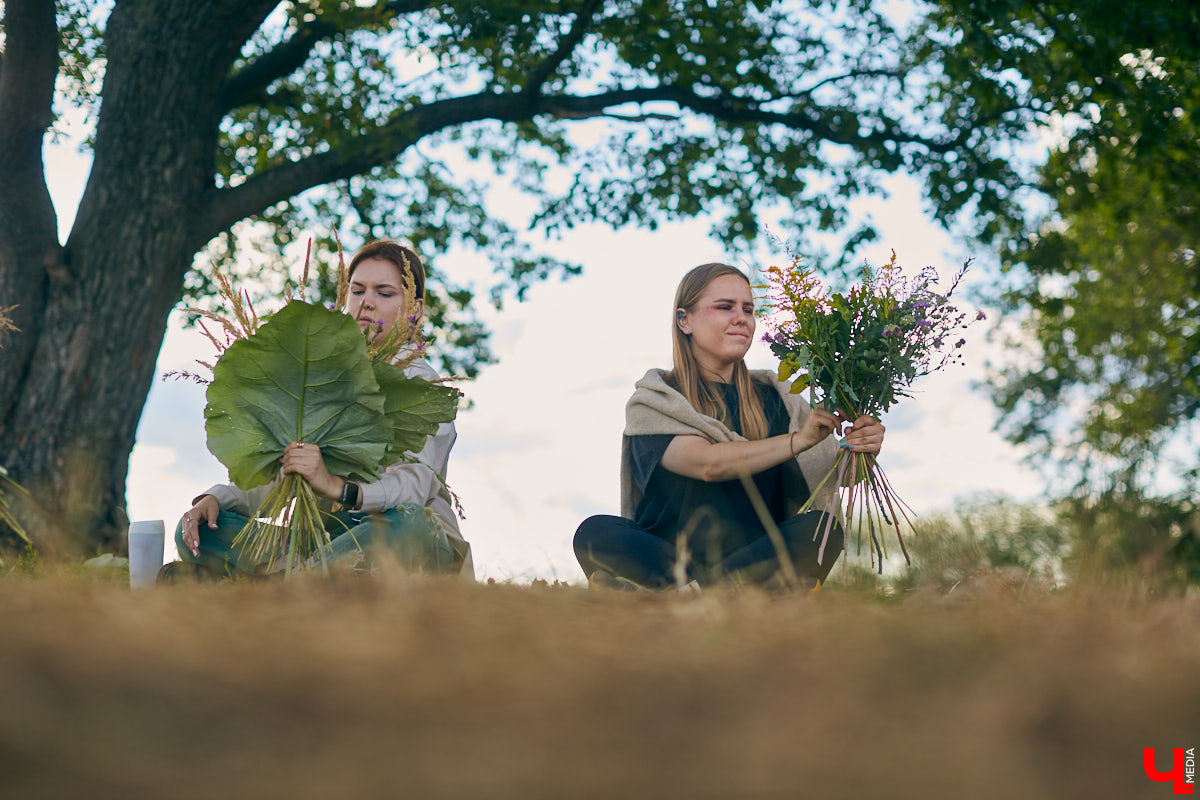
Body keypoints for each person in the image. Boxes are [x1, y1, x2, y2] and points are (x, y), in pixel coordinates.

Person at [163, 240, 473, 581]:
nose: (366, 303)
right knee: (198, 528)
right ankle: (302, 580)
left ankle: (266, 584)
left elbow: (412, 489)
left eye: (384, 294)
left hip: (405, 540)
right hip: (328, 544)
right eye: (357, 291)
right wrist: (216, 499)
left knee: (411, 521)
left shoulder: (422, 385)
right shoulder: (325, 378)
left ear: (413, 308)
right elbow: (282, 478)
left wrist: (336, 486)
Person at [573, 263, 885, 590]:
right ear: (685, 320)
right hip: (668, 561)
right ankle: (722, 595)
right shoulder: (655, 400)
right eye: (725, 307)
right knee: (594, 532)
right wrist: (798, 440)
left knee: (823, 528)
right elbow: (709, 464)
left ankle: (682, 597)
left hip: (755, 559)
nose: (741, 318)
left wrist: (862, 447)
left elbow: (835, 474)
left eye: (748, 309)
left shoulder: (778, 396)